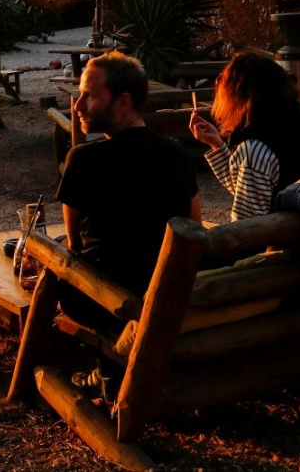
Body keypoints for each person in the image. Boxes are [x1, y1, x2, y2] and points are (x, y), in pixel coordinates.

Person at [56, 51, 199, 397]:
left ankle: (108, 373)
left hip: (109, 299)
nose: (78, 106)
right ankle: (106, 371)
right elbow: (195, 226)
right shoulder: (178, 153)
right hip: (169, 288)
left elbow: (75, 242)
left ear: (123, 102)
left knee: (60, 264)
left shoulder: (84, 158)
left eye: (90, 95)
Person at [187, 52, 300, 223]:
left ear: (241, 95)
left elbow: (244, 227)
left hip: (283, 246)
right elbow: (249, 189)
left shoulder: (255, 148)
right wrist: (216, 144)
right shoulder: (288, 128)